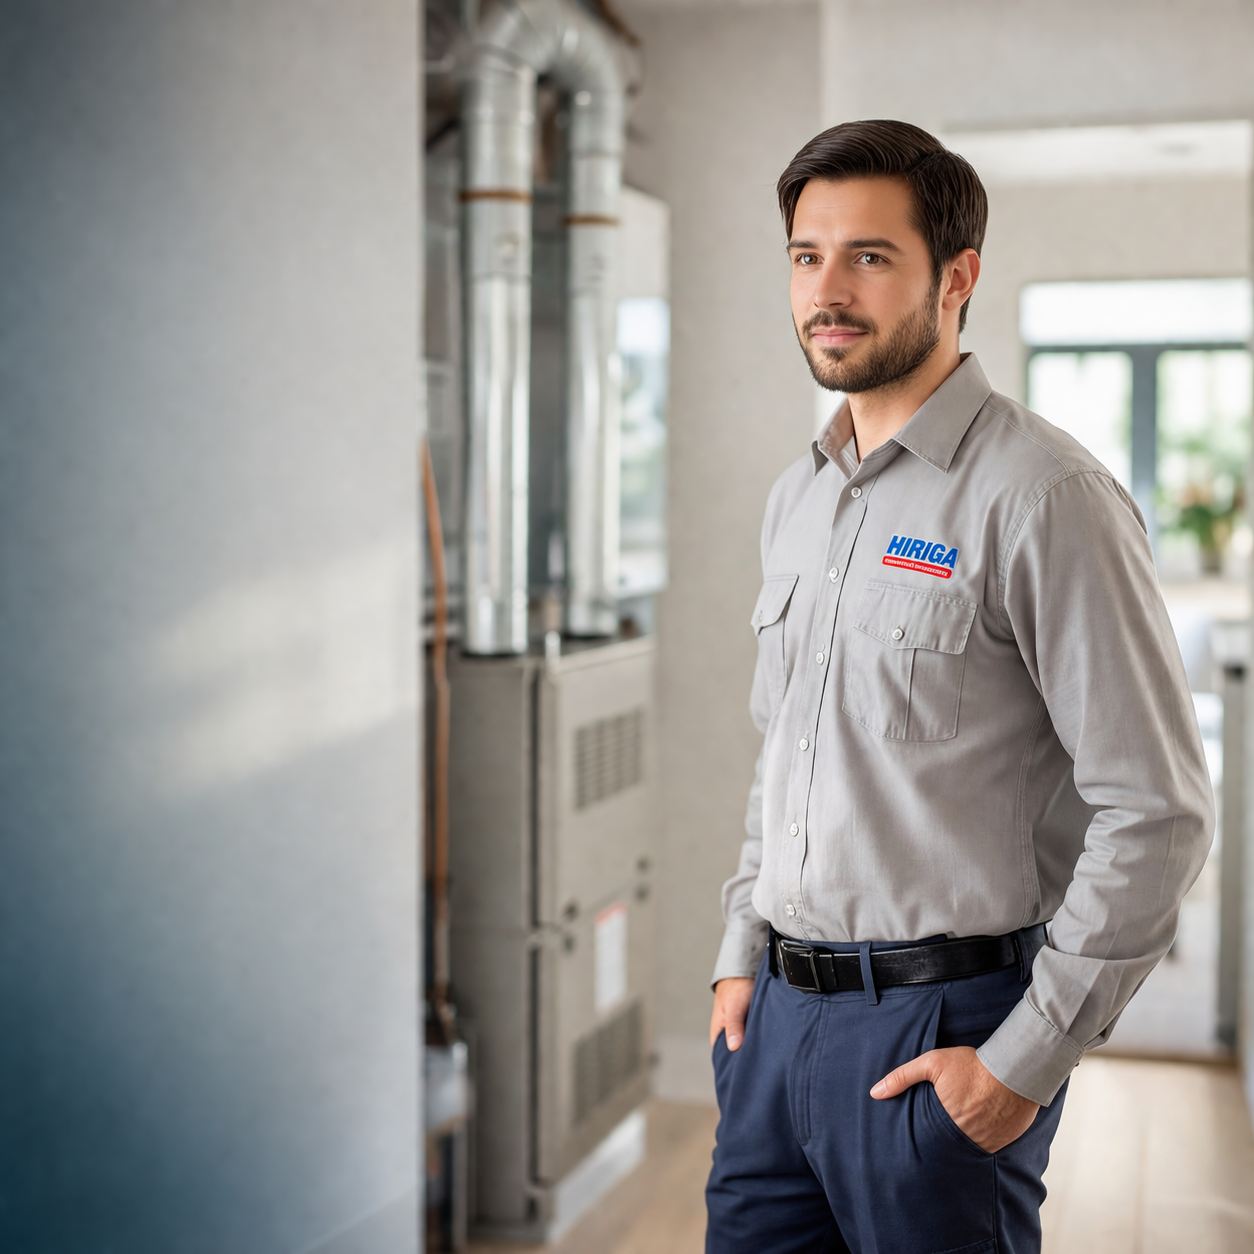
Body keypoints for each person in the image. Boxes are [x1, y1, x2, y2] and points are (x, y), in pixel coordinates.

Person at [704, 119, 1214, 1254]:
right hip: (771, 1033)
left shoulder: (1043, 497)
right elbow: (785, 755)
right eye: (805, 255)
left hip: (941, 1035)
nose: (826, 290)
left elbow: (1159, 811)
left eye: (868, 257)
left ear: (957, 276)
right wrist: (740, 961)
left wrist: (1021, 1065)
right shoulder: (801, 499)